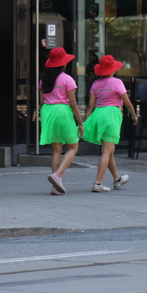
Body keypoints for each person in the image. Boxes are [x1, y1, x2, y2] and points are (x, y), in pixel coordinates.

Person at [83, 55, 138, 193]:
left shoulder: (95, 84)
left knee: (110, 151)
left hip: (98, 114)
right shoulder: (117, 82)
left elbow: (90, 106)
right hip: (111, 115)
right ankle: (98, 183)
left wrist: (87, 122)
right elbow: (128, 103)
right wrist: (134, 115)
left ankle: (117, 180)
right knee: (106, 151)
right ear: (113, 70)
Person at [39, 48, 84, 195]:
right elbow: (73, 103)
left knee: (56, 149)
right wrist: (81, 123)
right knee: (73, 147)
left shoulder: (43, 80)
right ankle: (57, 176)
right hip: (63, 111)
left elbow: (41, 102)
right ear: (63, 64)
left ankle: (55, 186)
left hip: (47, 111)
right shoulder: (67, 79)